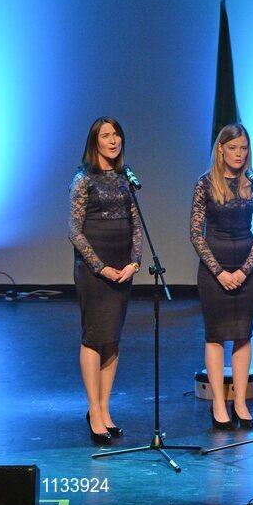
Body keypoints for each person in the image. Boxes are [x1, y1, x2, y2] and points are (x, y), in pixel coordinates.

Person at [69, 117, 143, 445]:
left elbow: (137, 225)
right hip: (93, 271)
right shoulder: (83, 179)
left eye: (117, 135)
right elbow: (74, 230)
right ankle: (93, 411)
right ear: (95, 141)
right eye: (106, 135)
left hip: (122, 270)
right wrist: (100, 268)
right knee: (93, 337)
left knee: (112, 339)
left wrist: (134, 262)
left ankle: (105, 408)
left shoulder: (126, 178)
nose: (113, 141)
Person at [190, 123, 253, 431]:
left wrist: (244, 271)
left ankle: (240, 404)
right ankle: (219, 404)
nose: (239, 154)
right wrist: (221, 273)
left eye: (244, 148)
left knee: (243, 334)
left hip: (246, 264)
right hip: (214, 266)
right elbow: (196, 234)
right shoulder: (205, 183)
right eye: (233, 148)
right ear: (220, 149)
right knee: (216, 335)